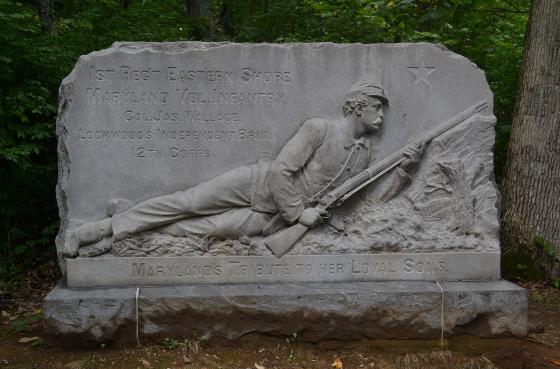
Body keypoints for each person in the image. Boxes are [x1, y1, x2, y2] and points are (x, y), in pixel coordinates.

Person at [72, 81, 423, 256]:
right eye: (376, 107)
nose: (381, 115)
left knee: (199, 231)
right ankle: (105, 227)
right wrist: (300, 214)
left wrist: (405, 169)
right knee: (187, 201)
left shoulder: (365, 155)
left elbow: (366, 201)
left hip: (271, 219)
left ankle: (122, 236)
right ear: (357, 107)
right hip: (256, 183)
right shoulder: (320, 128)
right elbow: (281, 171)